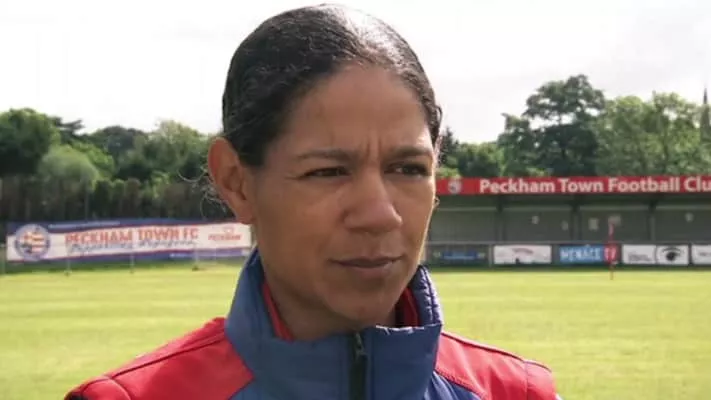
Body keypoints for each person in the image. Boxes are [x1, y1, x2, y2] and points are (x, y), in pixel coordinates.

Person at [65, 4, 563, 400]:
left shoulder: (515, 393)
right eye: (328, 172)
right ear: (237, 182)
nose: (379, 214)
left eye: (409, 169)